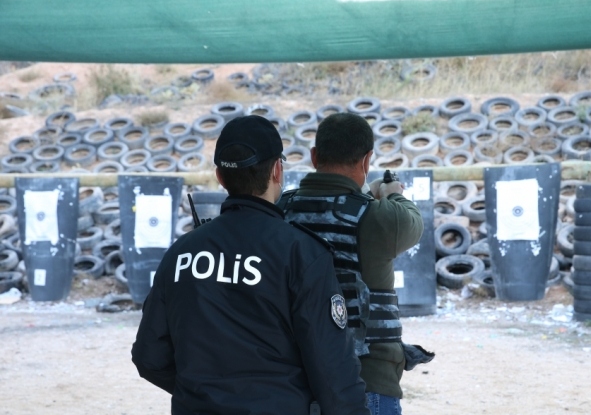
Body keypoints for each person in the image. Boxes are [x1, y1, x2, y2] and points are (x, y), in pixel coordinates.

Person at [132, 115, 370, 415]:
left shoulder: (180, 254)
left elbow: (149, 357)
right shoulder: (302, 253)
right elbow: (334, 374)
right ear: (277, 170)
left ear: (219, 176)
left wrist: (205, 393)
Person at [278, 112, 425, 415]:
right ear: (367, 160)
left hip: (293, 385)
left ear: (314, 156)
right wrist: (390, 192)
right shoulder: (380, 216)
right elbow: (412, 221)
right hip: (368, 381)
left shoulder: (279, 212)